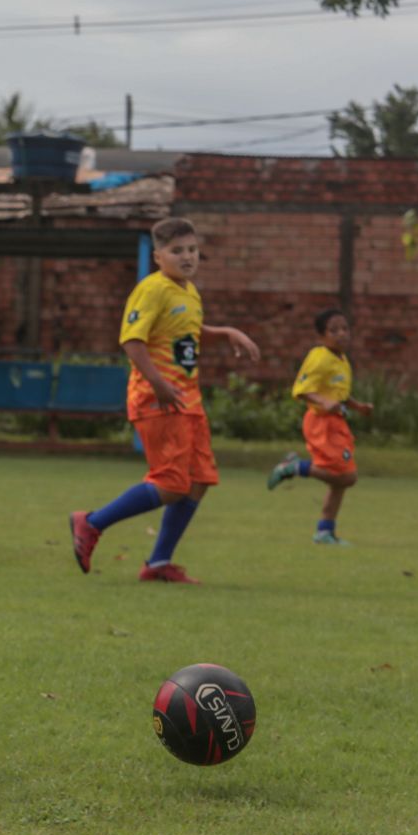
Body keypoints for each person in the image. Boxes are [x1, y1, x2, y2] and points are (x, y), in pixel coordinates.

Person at [68, 217, 260, 584]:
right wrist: (157, 383)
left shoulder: (187, 290)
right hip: (158, 400)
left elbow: (188, 331)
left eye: (192, 249)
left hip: (188, 400)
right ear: (158, 256)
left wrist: (226, 332)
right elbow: (132, 340)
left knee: (199, 480)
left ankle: (158, 564)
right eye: (177, 251)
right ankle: (91, 523)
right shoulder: (151, 290)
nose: (187, 257)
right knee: (172, 484)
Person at [266, 308, 372, 544]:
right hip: (321, 423)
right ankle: (293, 467)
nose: (341, 334)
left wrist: (358, 407)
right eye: (334, 330)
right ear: (321, 336)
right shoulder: (319, 356)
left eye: (344, 328)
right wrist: (324, 402)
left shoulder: (341, 359)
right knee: (347, 477)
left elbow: (339, 395)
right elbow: (302, 390)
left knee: (341, 480)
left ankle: (325, 531)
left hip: (337, 423)